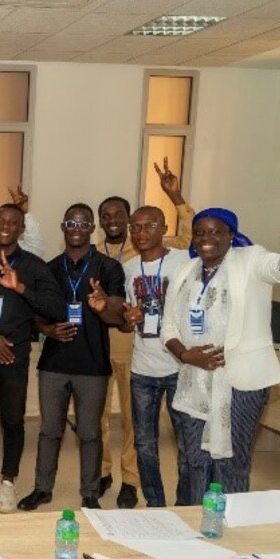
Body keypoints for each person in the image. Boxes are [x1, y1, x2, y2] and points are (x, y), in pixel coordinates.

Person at [162, 195, 280, 498]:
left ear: (231, 235)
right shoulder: (184, 271)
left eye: (217, 231)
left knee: (232, 461)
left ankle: (230, 529)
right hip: (194, 381)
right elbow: (168, 326)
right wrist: (185, 354)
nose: (207, 238)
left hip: (241, 381)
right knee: (194, 459)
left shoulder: (250, 260)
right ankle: (196, 520)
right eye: (201, 232)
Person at [95, 157, 194, 507]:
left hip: (149, 353)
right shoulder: (115, 262)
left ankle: (131, 481)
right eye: (106, 217)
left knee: (140, 429)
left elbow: (192, 234)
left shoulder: (172, 255)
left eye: (120, 217)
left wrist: (176, 196)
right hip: (110, 345)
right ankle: (103, 471)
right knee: (101, 419)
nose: (115, 222)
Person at [18, 204, 125, 511]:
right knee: (49, 431)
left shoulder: (108, 268)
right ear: (63, 227)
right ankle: (42, 488)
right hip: (53, 364)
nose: (77, 228)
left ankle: (90, 492)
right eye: (71, 223)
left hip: (92, 365)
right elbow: (34, 314)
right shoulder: (48, 269)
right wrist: (47, 330)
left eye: (83, 223)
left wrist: (102, 305)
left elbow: (118, 316)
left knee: (90, 433)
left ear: (93, 228)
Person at [0, 203, 64, 512]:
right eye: (0, 220)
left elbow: (55, 309)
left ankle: (8, 481)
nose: (5, 225)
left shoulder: (32, 266)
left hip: (13, 360)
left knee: (13, 421)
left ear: (21, 229)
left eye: (12, 222)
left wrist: (20, 288)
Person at [118, 206, 192, 507]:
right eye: (135, 227)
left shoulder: (184, 261)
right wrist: (130, 318)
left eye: (149, 226)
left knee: (186, 443)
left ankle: (186, 504)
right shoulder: (129, 268)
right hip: (143, 369)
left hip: (178, 366)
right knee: (144, 444)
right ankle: (155, 504)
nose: (141, 233)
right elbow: (124, 322)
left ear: (164, 227)